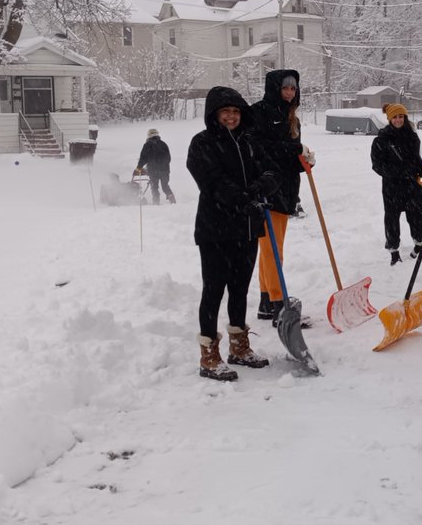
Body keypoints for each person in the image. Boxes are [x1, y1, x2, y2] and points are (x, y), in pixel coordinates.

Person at [186, 86, 279, 382]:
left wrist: (259, 189)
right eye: (225, 111)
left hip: (247, 228)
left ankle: (239, 347)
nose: (231, 116)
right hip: (215, 229)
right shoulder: (201, 143)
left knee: (240, 289)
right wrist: (242, 200)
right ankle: (209, 355)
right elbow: (211, 181)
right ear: (214, 114)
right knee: (214, 290)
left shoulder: (250, 141)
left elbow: (272, 171)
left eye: (236, 111)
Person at [249, 69, 315, 324]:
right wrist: (294, 148)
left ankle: (267, 302)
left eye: (293, 89)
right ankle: (278, 304)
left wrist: (303, 160)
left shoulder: (291, 117)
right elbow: (260, 149)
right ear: (275, 88)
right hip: (267, 186)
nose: (290, 92)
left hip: (286, 187)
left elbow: (287, 155)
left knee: (271, 248)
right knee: (272, 249)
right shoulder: (260, 112)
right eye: (286, 88)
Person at [370, 102, 422, 266]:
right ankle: (394, 252)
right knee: (392, 219)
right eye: (395, 117)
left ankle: (418, 244)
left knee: (418, 215)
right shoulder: (381, 140)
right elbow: (377, 165)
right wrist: (397, 172)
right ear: (389, 119)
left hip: (412, 185)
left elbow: (415, 158)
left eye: (401, 116)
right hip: (392, 187)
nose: (398, 120)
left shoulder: (412, 136)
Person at [135, 128, 176, 205]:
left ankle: (156, 203)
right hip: (165, 170)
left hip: (153, 171)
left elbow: (143, 158)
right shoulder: (164, 144)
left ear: (149, 135)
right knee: (165, 186)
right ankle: (173, 202)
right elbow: (168, 158)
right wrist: (163, 166)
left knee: (154, 187)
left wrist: (139, 167)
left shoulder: (147, 145)